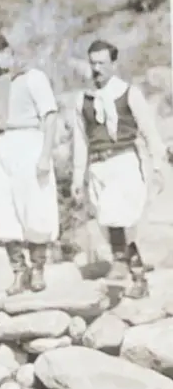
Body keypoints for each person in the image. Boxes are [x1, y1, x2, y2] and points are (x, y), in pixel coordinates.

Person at [70, 39, 168, 298]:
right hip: (98, 166)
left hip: (124, 161)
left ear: (114, 64)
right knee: (108, 221)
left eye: (102, 63)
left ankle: (127, 271)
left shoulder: (128, 93)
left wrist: (158, 165)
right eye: (93, 64)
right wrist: (77, 178)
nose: (97, 69)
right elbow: (80, 141)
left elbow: (148, 130)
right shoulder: (83, 100)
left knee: (122, 218)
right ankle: (132, 279)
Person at [0, 32, 60, 295]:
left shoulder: (32, 77)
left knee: (35, 206)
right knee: (3, 211)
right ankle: (18, 270)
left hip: (29, 140)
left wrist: (46, 155)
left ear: (7, 51)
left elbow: (49, 116)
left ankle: (37, 269)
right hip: (1, 146)